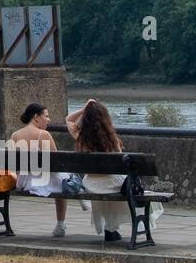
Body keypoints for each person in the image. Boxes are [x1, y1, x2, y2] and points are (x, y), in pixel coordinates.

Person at [66, 98, 162, 242]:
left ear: (86, 118)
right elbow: (120, 164)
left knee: (105, 187)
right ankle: (111, 228)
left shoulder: (81, 138)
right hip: (110, 183)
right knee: (117, 184)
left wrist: (84, 108)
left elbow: (68, 119)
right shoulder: (112, 139)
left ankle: (110, 229)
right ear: (105, 118)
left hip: (91, 184)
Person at [10, 103, 69, 237]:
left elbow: (13, 163)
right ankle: (60, 224)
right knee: (63, 179)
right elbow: (58, 162)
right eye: (46, 116)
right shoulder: (44, 134)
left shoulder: (15, 135)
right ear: (36, 117)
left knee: (61, 177)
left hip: (23, 182)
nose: (49, 120)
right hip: (40, 182)